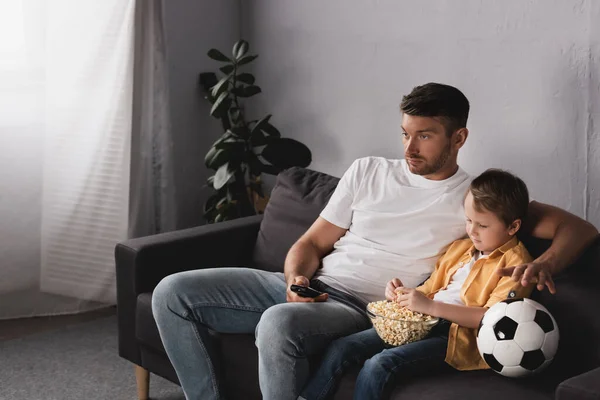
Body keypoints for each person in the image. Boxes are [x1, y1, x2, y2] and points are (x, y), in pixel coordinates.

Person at [151, 83, 598, 400]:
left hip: (361, 308)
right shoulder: (366, 171)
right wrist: (297, 279)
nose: (410, 147)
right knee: (171, 293)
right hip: (312, 288)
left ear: (458, 137)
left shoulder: (476, 198)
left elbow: (580, 230)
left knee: (277, 324)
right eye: (406, 133)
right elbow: (309, 243)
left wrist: (547, 264)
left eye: (424, 135)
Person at [299, 169, 535, 400]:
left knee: (379, 364)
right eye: (469, 220)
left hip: (456, 339)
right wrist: (404, 294)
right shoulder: (460, 249)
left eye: (482, 225)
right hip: (421, 321)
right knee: (343, 347)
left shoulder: (517, 264)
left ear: (513, 227)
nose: (472, 231)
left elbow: (491, 319)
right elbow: (431, 287)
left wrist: (430, 307)